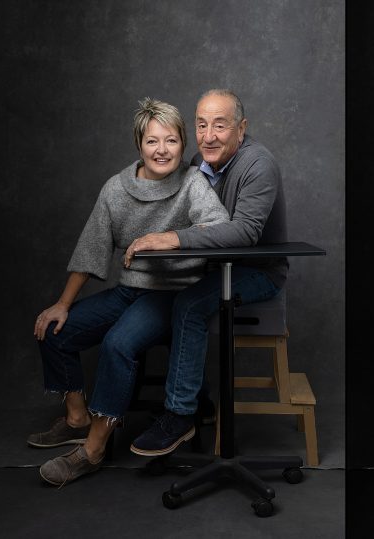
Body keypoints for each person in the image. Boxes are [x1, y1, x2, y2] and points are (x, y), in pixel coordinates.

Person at [30, 98, 229, 486]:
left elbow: (220, 228)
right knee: (56, 331)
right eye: (152, 141)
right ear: (139, 144)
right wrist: (62, 304)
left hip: (172, 294)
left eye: (171, 141)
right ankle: (77, 418)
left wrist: (168, 239)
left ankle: (93, 450)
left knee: (118, 344)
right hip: (129, 291)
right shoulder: (116, 190)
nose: (162, 150)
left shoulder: (193, 183)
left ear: (183, 143)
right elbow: (91, 250)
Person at [123, 89, 288, 456]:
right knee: (164, 300)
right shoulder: (201, 161)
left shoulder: (258, 164)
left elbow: (245, 232)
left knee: (189, 306)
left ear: (241, 128)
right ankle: (199, 404)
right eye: (201, 125)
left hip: (258, 272)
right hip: (213, 270)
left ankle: (180, 416)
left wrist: (172, 238)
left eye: (220, 125)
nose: (208, 135)